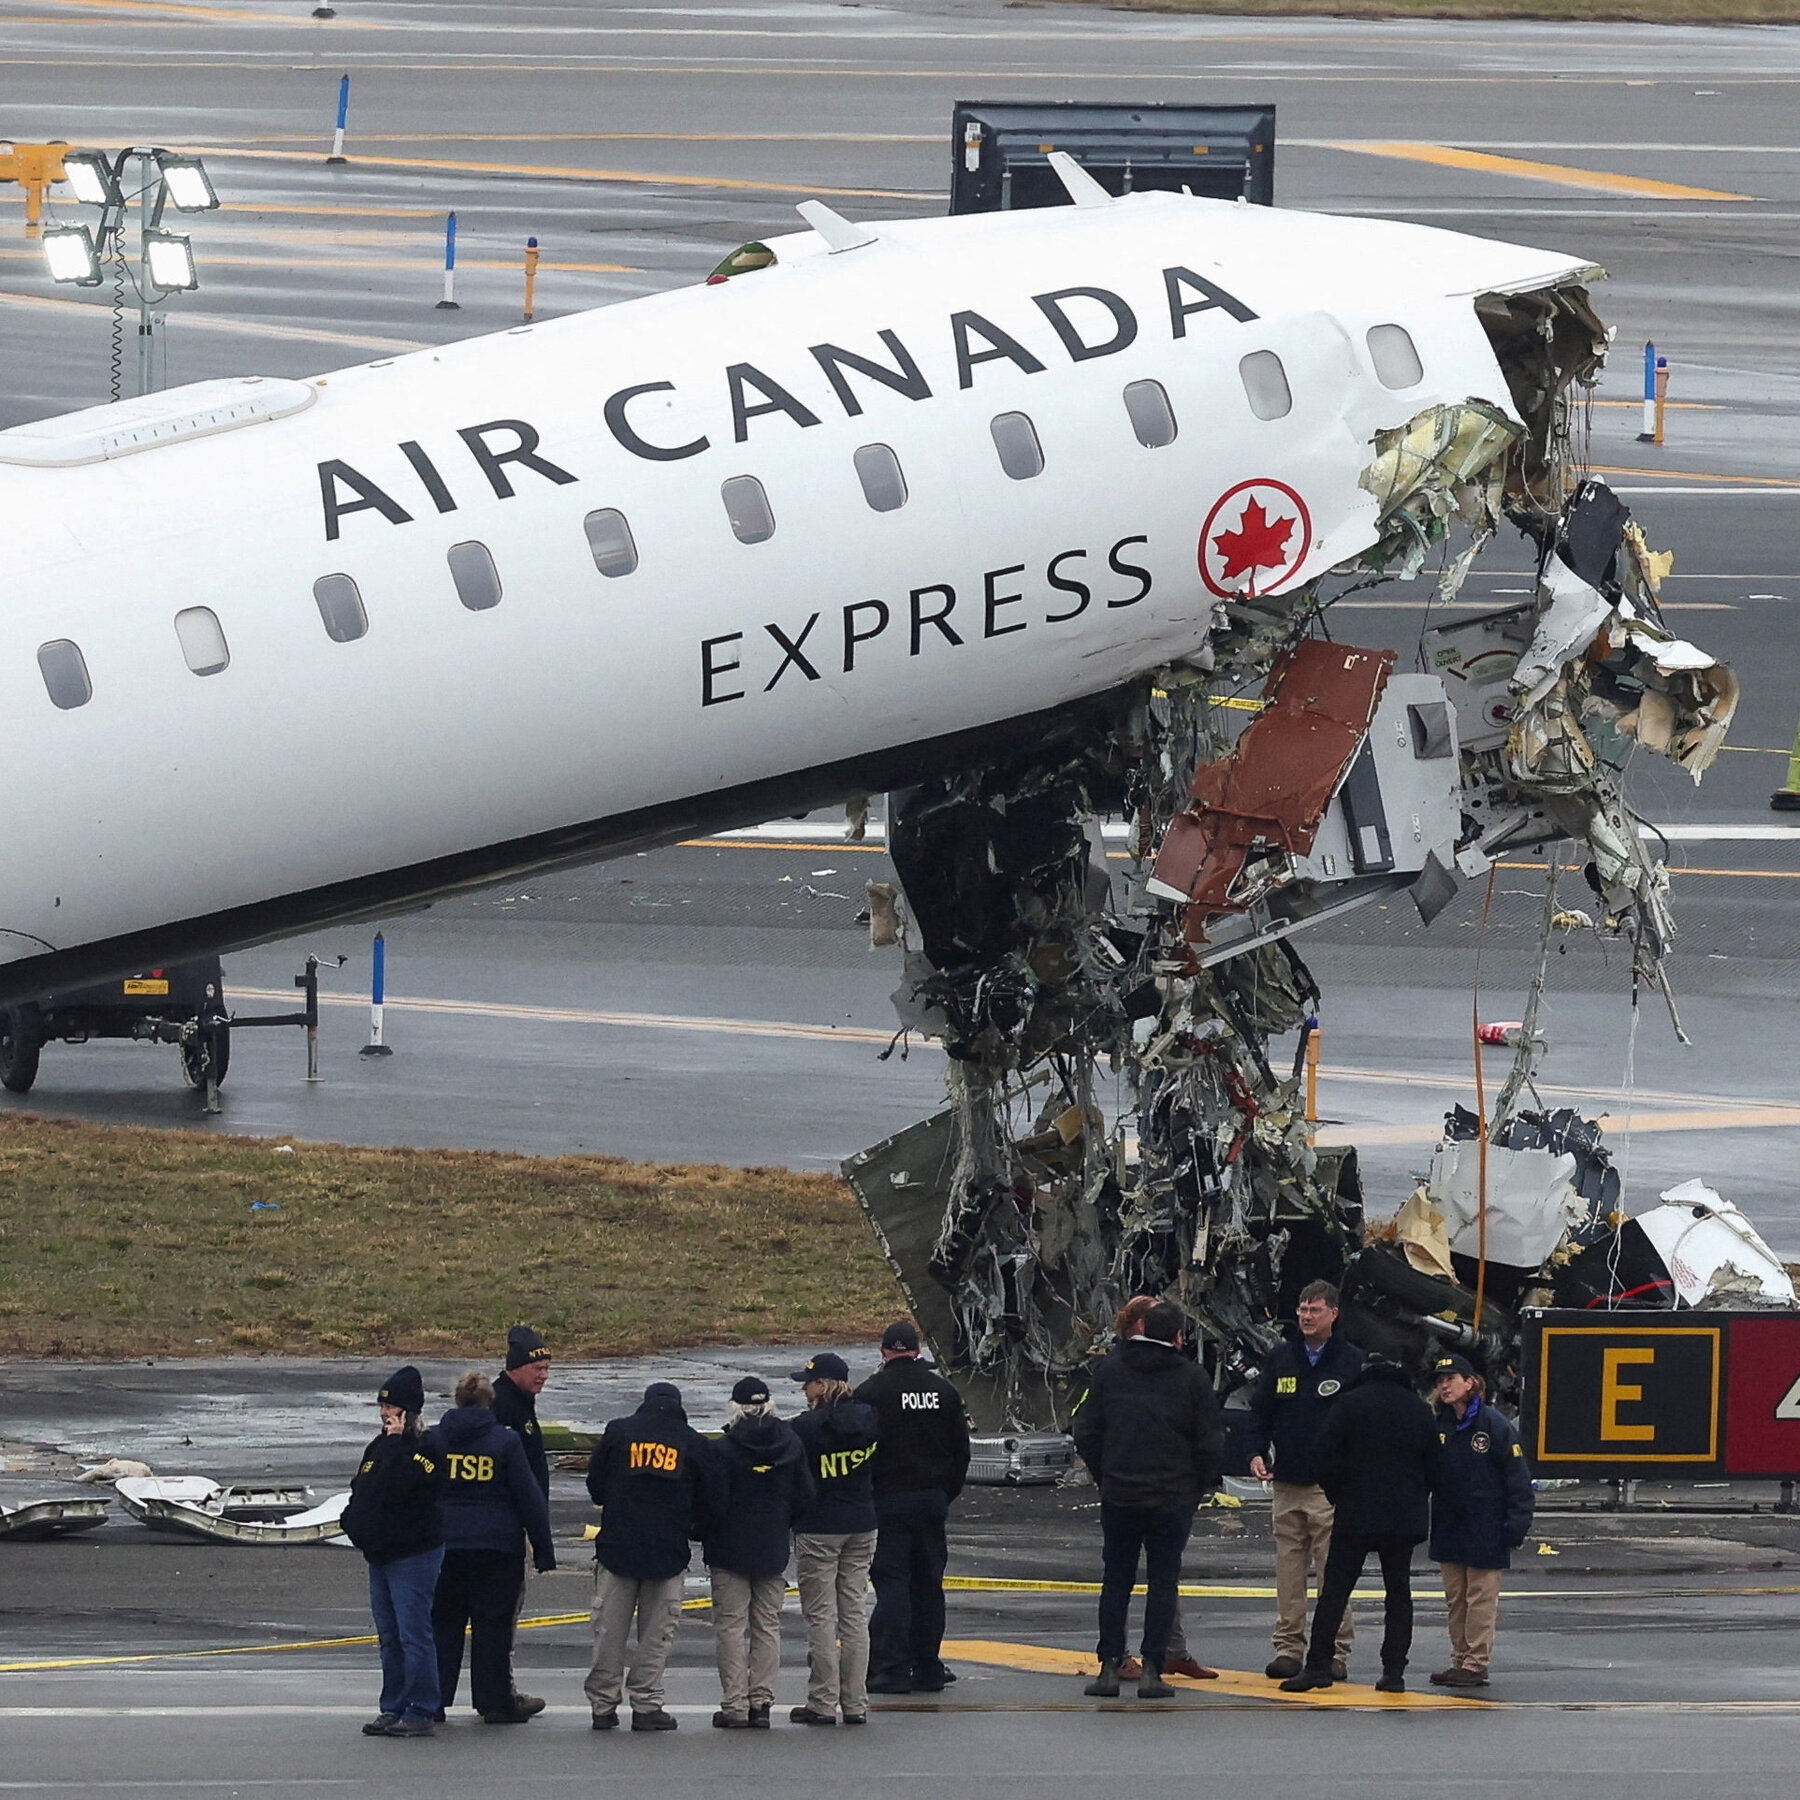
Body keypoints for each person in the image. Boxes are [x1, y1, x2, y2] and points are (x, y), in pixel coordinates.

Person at [1070, 1300, 1224, 1701]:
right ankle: (1154, 1669)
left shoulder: (1110, 1371)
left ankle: (1109, 1666)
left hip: (1120, 1492)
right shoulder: (1192, 1378)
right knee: (1163, 1582)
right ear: (1178, 1337)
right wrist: (1194, 1488)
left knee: (1116, 1580)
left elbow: (1085, 1430)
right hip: (1171, 1496)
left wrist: (1106, 1475)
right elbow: (1209, 1443)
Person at [1280, 1356, 1440, 1695]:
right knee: (1398, 1593)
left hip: (1356, 1510)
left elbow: (1323, 1452)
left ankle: (1318, 1665)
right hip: (1402, 1515)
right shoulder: (1419, 1409)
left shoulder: (1349, 1403)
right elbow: (1434, 1465)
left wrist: (1338, 1493)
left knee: (1335, 1591)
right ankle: (1393, 1671)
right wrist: (1415, 1495)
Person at [584, 1381, 725, 1732]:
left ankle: (603, 1705)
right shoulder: (694, 1443)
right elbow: (714, 1500)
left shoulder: (619, 1432)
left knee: (608, 1631)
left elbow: (596, 1486)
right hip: (667, 1552)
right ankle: (646, 1704)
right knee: (656, 1635)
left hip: (617, 1548)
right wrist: (693, 1529)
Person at [1246, 1280, 1365, 1681]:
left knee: (1334, 1573)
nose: (1306, 1317)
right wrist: (1255, 1451)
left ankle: (1333, 1652)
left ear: (1334, 1313)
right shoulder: (1282, 1358)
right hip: (1287, 1483)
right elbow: (1260, 1412)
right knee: (1288, 1572)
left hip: (1330, 1488)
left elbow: (1364, 1421)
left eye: (1314, 1310)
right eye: (1302, 1309)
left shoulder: (1351, 1362)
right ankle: (1288, 1649)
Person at [431, 1372, 557, 1724]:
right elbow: (528, 1496)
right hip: (497, 1548)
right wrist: (544, 1549)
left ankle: (433, 1700)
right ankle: (495, 1703)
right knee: (493, 1629)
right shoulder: (505, 1442)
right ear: (491, 1402)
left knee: (443, 1627)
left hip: (444, 1547)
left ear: (457, 1401)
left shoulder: (435, 1440)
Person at [854, 1321, 970, 1696]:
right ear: (917, 1350)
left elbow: (860, 1451)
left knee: (893, 1584)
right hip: (932, 1499)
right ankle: (927, 1666)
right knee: (929, 1584)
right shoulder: (943, 1391)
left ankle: (890, 1668)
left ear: (884, 1351)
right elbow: (961, 1452)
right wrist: (943, 1493)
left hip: (888, 1502)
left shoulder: (871, 1392)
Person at [342, 1366, 447, 1739]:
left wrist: (398, 1443)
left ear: (409, 1412)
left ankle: (421, 1707)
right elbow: (364, 1487)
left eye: (392, 1409)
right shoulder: (377, 1448)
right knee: (389, 1635)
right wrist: (353, 1522)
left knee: (412, 1633)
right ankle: (394, 1705)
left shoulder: (427, 1448)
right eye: (383, 1408)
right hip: (381, 1554)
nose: (385, 1415)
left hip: (414, 1554)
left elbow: (408, 1486)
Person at [704, 1376, 814, 1729]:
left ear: (735, 1407)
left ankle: (735, 1704)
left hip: (729, 1547)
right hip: (772, 1545)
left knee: (731, 1628)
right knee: (767, 1626)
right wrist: (782, 1522)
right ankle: (761, 1701)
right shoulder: (790, 1443)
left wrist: (707, 1531)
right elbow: (805, 1494)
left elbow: (711, 1501)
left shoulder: (723, 1449)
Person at [1428, 1352, 1535, 1689]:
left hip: (1485, 1525)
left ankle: (1475, 1662)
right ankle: (1459, 1658)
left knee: (1480, 1599)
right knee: (1455, 1598)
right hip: (1449, 1524)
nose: (1445, 1386)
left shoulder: (1493, 1425)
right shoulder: (1439, 1425)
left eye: (1451, 1379)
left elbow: (1517, 1478)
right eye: (1440, 1381)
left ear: (1470, 1382)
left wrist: (1516, 1524)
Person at [787, 1352, 881, 1726]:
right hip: (862, 1522)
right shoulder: (870, 1418)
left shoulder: (805, 1428)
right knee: (854, 1614)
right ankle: (856, 1702)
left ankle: (823, 1701)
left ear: (823, 1384)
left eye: (808, 1383)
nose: (804, 1389)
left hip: (820, 1526)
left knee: (821, 1617)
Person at [491, 1324, 552, 1712]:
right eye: (537, 1368)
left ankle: (499, 1688)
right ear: (516, 1367)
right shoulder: (504, 1407)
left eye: (547, 1368)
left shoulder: (521, 1403)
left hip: (513, 1524)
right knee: (504, 1613)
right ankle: (502, 1691)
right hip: (507, 1528)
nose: (544, 1376)